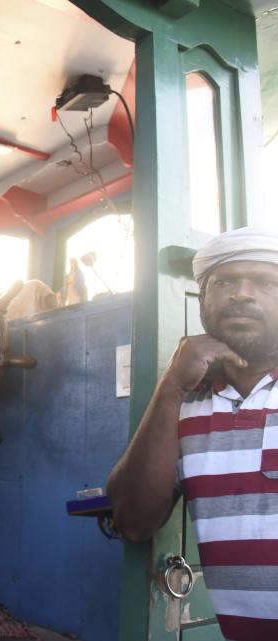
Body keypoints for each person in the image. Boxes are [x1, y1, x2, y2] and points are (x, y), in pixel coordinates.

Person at [107, 226, 278, 640]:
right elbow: (132, 521)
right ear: (202, 302)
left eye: (266, 282)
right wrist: (170, 387)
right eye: (223, 282)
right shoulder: (184, 405)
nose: (241, 293)